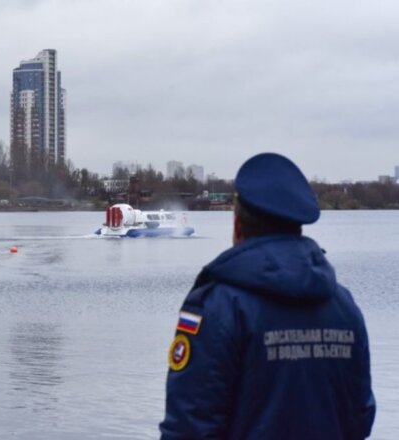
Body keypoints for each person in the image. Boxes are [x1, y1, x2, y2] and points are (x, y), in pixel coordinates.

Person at [159, 152, 376, 439]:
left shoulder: (217, 308)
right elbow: (360, 418)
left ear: (237, 226)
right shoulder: (344, 306)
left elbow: (189, 426)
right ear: (298, 226)